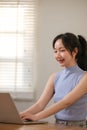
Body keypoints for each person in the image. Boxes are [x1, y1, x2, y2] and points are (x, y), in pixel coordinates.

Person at [20, 32, 87, 127]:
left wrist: (36, 117)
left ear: (75, 51)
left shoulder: (84, 77)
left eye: (62, 50)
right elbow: (40, 105)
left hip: (77, 127)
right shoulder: (55, 77)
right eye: (55, 51)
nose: (57, 55)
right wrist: (20, 115)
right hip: (57, 125)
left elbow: (66, 102)